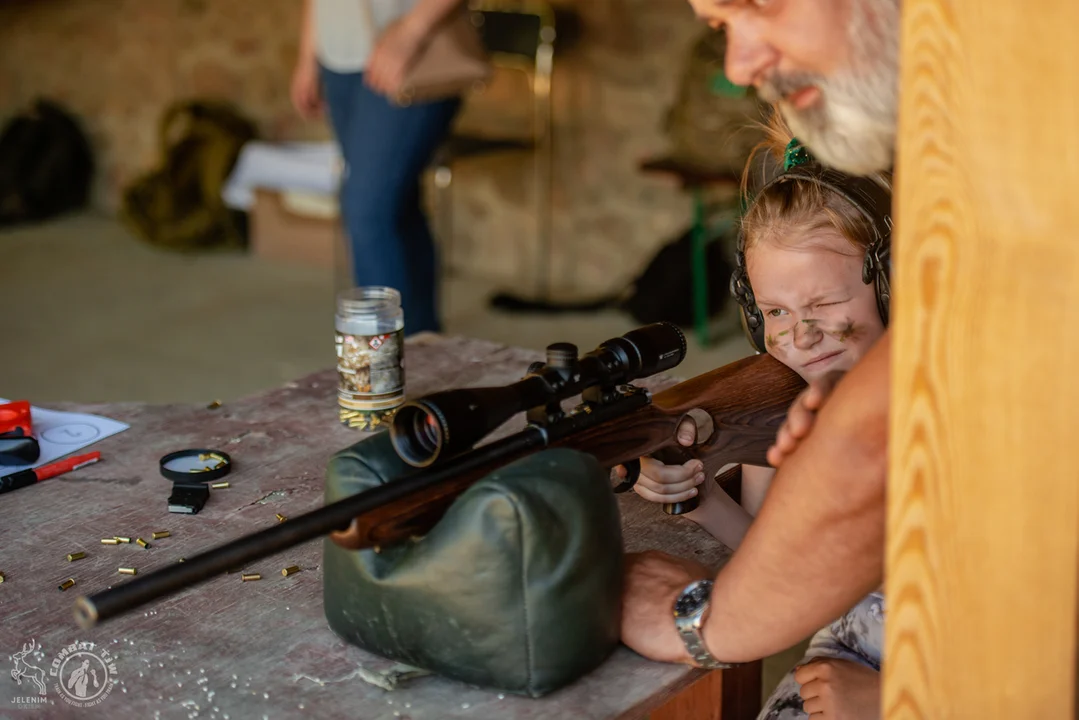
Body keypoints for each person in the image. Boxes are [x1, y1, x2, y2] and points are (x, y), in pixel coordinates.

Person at [618, 0, 904, 698]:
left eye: (827, 305)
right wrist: (696, 498)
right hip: (840, 659)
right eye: (774, 311)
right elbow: (779, 558)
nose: (799, 335)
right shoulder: (781, 405)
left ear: (892, 286)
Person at [291, 0, 469, 334]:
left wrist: (410, 31)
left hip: (411, 55)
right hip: (337, 63)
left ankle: (383, 360)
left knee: (366, 211)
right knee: (393, 205)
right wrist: (308, 56)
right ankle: (422, 342)